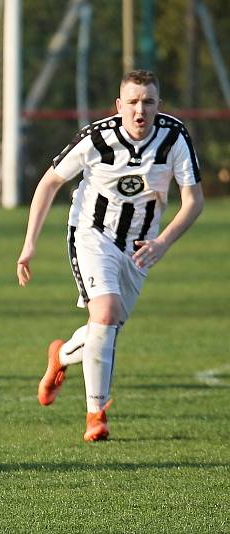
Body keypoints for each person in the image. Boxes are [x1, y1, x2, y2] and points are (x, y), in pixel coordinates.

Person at [17, 70, 203, 441]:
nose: (140, 110)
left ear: (158, 106)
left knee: (109, 326)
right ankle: (95, 416)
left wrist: (163, 243)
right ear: (119, 106)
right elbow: (50, 182)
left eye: (148, 102)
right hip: (92, 234)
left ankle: (61, 356)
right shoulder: (96, 139)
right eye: (132, 102)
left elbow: (193, 201)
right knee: (104, 313)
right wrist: (29, 244)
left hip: (141, 245)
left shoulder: (173, 137)